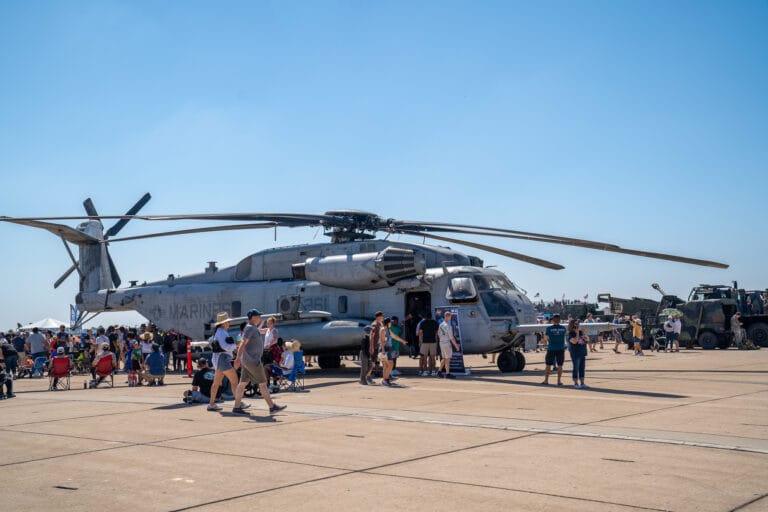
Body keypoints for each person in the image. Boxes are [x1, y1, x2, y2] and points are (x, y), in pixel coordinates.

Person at [232, 309, 286, 415]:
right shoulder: (250, 328)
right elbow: (243, 343)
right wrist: (237, 358)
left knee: (242, 384)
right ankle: (272, 407)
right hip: (253, 361)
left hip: (248, 361)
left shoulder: (252, 328)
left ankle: (237, 407)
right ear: (253, 317)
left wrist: (240, 358)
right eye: (258, 316)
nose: (260, 317)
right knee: (263, 384)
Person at [207, 312, 240, 412]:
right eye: (227, 321)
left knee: (216, 383)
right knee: (234, 381)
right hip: (223, 359)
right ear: (223, 323)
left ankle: (211, 404)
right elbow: (225, 347)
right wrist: (236, 346)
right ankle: (238, 403)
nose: (229, 323)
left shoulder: (219, 332)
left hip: (218, 360)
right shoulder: (222, 332)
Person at [379, 317, 408, 387]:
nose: (391, 323)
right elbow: (382, 341)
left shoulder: (388, 330)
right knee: (390, 365)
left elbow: (394, 336)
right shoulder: (383, 330)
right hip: (385, 349)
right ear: (388, 323)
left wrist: (403, 341)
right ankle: (386, 379)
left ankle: (385, 380)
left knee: (386, 366)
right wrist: (383, 350)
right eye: (390, 322)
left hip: (389, 349)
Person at [541, 314, 566, 386]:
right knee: (560, 365)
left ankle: (546, 380)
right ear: (560, 320)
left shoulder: (548, 328)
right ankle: (559, 381)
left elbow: (545, 339)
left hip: (551, 348)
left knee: (548, 365)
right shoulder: (563, 328)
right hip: (561, 348)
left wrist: (546, 341)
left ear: (553, 320)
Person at [361, 312, 383, 385]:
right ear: (378, 317)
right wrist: (372, 347)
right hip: (373, 347)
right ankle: (367, 377)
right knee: (371, 363)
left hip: (376, 346)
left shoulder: (379, 324)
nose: (383, 318)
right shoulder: (374, 324)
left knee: (372, 363)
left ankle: (368, 377)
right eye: (382, 316)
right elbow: (371, 336)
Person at [436, 311, 460, 379]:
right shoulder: (448, 326)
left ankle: (439, 372)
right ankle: (447, 374)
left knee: (444, 358)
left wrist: (443, 339)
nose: (450, 318)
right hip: (446, 343)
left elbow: (438, 334)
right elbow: (451, 337)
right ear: (447, 316)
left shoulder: (441, 324)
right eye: (450, 316)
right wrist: (456, 346)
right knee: (447, 359)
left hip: (441, 343)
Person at [567, 319, 589, 389]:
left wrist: (584, 333)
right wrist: (577, 334)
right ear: (572, 325)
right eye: (576, 324)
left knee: (582, 368)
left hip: (582, 352)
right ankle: (576, 383)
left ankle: (582, 383)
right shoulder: (570, 334)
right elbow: (574, 342)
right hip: (575, 353)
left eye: (578, 324)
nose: (577, 325)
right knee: (576, 368)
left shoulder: (581, 332)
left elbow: (587, 339)